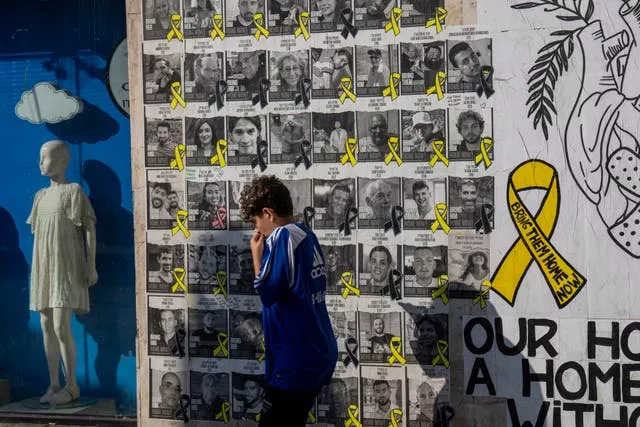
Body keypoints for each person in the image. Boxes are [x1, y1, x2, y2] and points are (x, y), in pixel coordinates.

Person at [239, 175, 338, 426]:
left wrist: (256, 254)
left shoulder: (283, 237)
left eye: (257, 221)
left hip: (295, 362)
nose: (257, 230)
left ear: (268, 213)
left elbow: (268, 291)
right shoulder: (305, 233)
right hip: (314, 354)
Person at [28, 140, 98, 405]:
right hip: (45, 267)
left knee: (60, 325)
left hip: (65, 268)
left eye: (45, 157)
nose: (40, 163)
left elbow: (89, 229)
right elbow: (39, 234)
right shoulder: (40, 196)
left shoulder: (74, 191)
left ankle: (72, 386)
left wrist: (90, 264)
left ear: (62, 161)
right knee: (46, 324)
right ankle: (54, 384)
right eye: (40, 157)